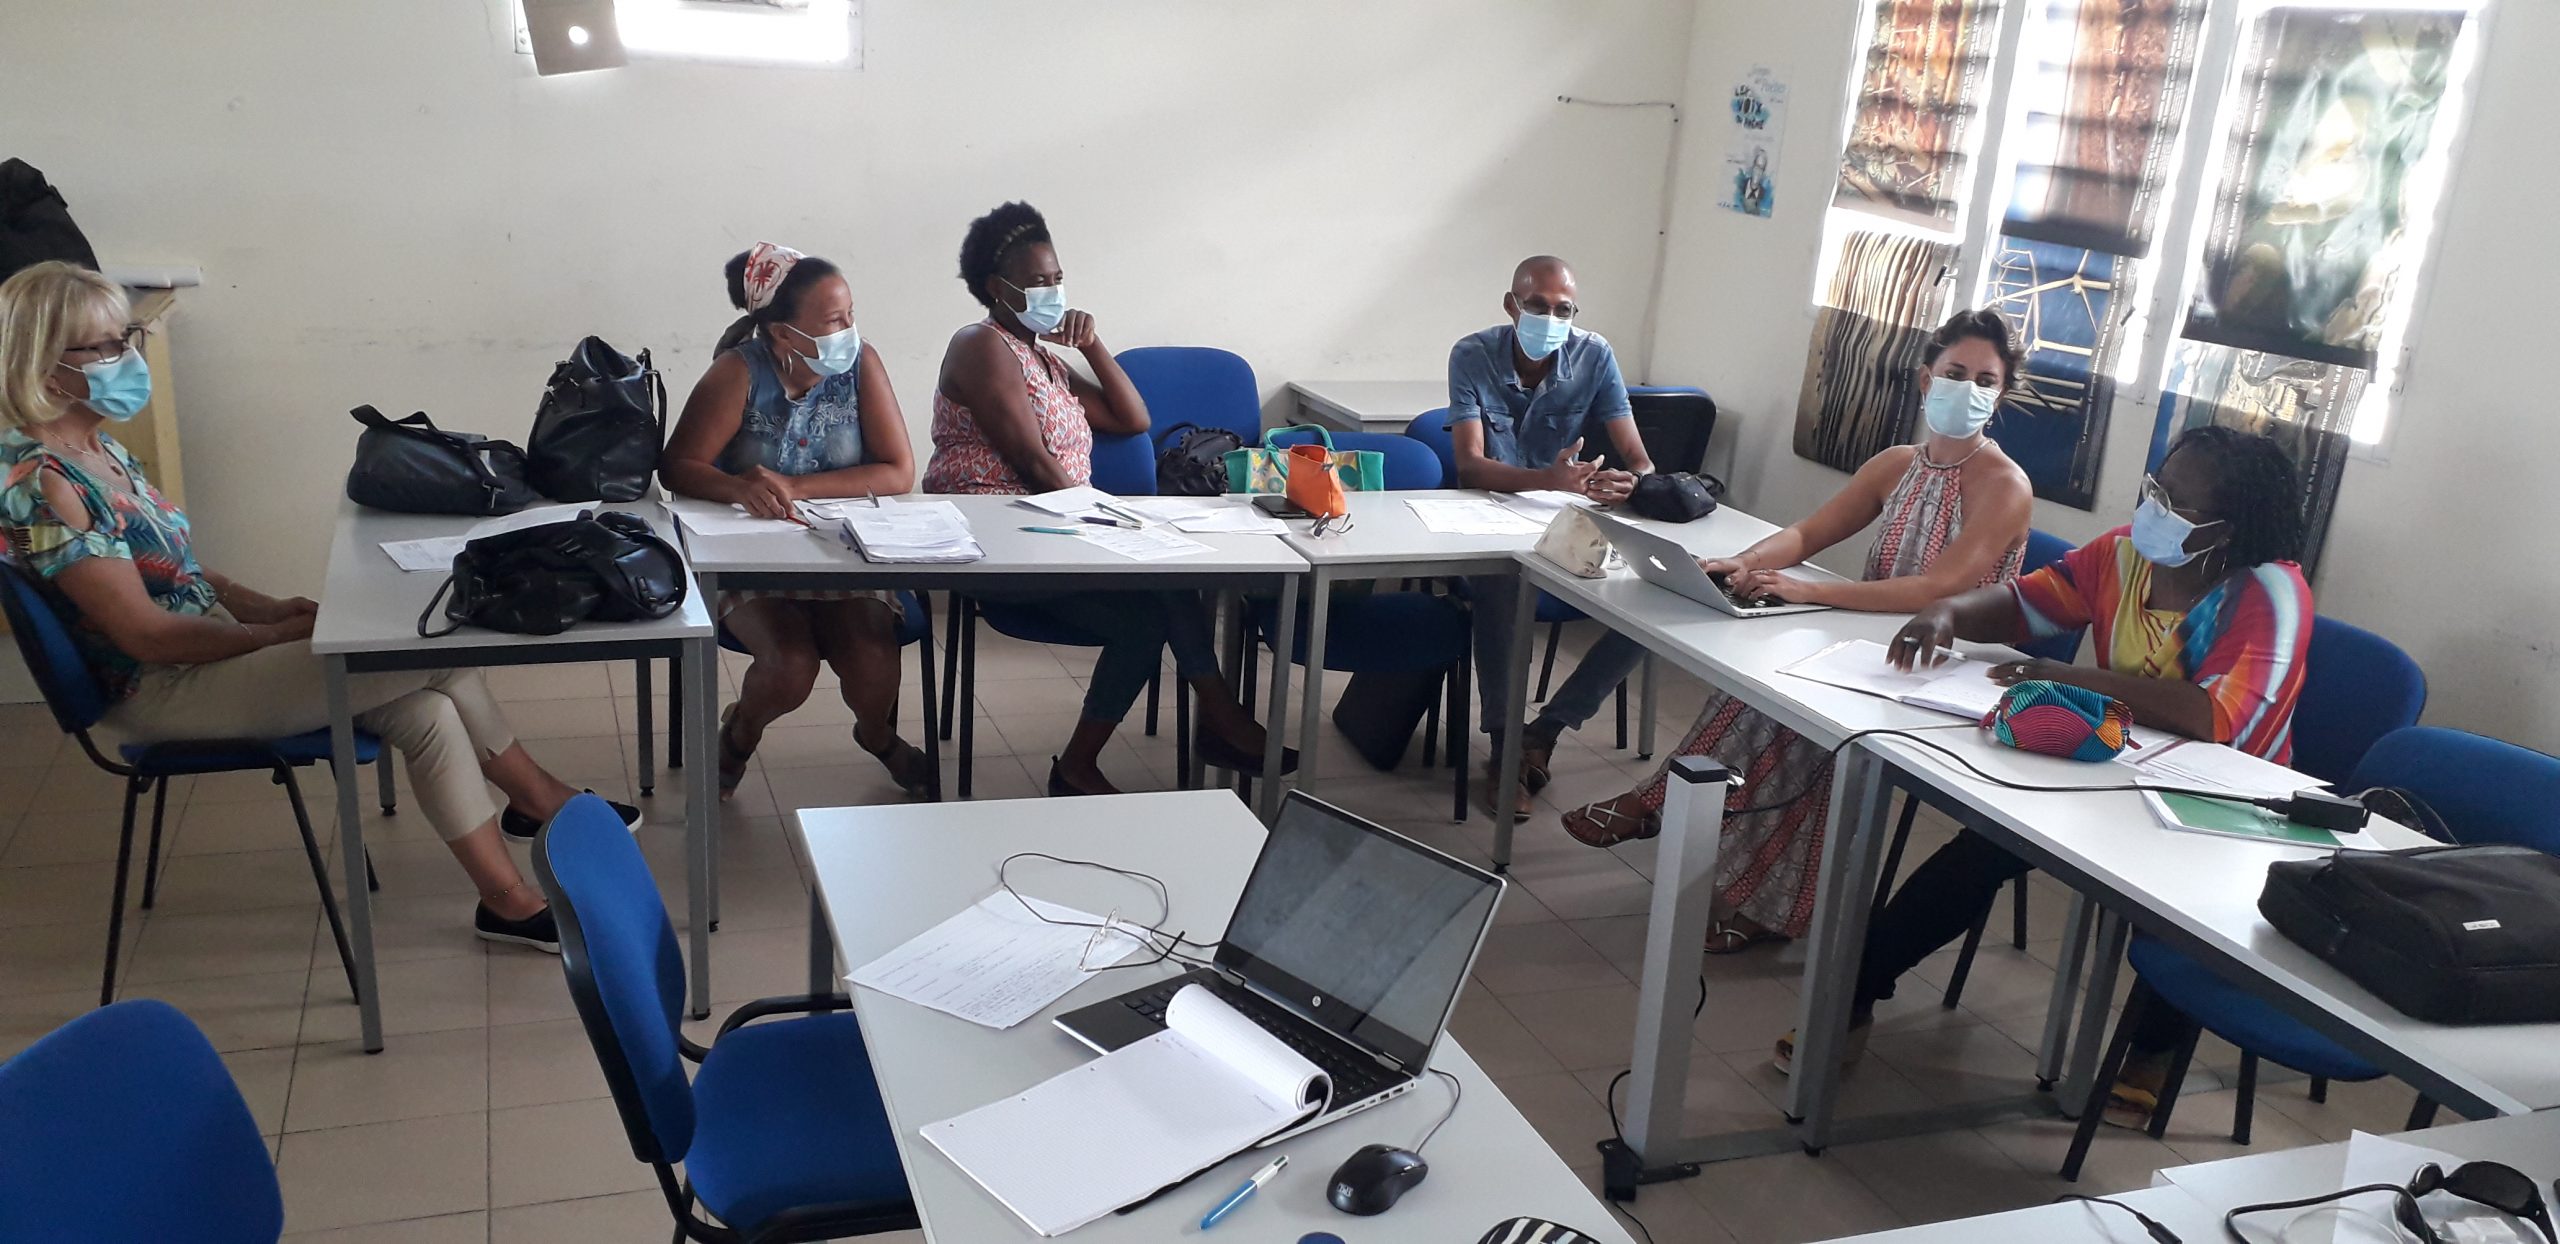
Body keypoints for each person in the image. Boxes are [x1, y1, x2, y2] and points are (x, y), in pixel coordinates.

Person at [0, 261, 638, 952]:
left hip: (204, 652)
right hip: (162, 687)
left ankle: (506, 898)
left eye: (127, 338)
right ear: (46, 368)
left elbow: (184, 569)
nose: (129, 357)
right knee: (434, 654)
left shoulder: (97, 449)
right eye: (105, 347)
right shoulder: (44, 485)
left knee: (426, 709)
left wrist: (274, 609)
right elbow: (146, 635)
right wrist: (270, 635)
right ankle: (539, 802)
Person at [1781, 425, 2312, 1129]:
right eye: (2156, 488)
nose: (2154, 509)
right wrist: (1948, 610)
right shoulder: (2124, 554)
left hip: (2222, 801)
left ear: (2228, 527)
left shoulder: (2269, 594)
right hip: (2113, 763)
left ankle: (2151, 1052)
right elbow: (2026, 604)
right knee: (1979, 852)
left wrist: (2067, 675)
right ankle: (1853, 998)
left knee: (2174, 914)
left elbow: (2215, 718)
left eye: (2178, 505)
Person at [1562, 309, 2034, 956]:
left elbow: (1937, 591)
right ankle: (1737, 869)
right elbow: (1809, 533)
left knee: (1806, 722)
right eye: (1956, 373)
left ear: (2000, 395)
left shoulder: (2005, 484)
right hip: (1878, 637)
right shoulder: (1899, 463)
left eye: (1985, 380)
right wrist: (1745, 562)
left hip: (1948, 665)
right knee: (1767, 690)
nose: (1968, 389)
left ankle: (1678, 817)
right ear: (1927, 380)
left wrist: (1808, 590)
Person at [927, 201, 1280, 796]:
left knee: (1160, 599)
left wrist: (1092, 346)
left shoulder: (1041, 356)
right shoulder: (980, 345)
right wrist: (1109, 529)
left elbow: (1132, 419)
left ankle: (1089, 763)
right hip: (1001, 538)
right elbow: (1033, 461)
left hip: (1054, 531)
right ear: (995, 288)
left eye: (1057, 278)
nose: (1052, 292)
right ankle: (1218, 719)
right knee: (1159, 592)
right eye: (1037, 281)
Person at [661, 243, 930, 799]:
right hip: (751, 559)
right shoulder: (738, 372)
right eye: (833, 321)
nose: (849, 331)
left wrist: (796, 487)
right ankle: (739, 736)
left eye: (851, 315)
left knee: (873, 660)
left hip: (842, 553)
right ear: (784, 333)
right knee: (789, 666)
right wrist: (739, 487)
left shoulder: (861, 364)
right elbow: (678, 466)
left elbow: (899, 471)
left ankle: (877, 736)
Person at [1451, 256, 1657, 817]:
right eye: (1538, 306)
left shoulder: (1594, 354)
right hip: (1486, 519)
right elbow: (1470, 466)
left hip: (1564, 522)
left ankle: (1545, 732)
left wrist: (1629, 483)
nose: (1550, 319)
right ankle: (1505, 748)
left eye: (1563, 310)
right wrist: (1549, 478)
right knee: (1500, 588)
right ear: (1511, 305)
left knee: (1656, 601)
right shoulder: (1473, 354)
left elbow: (1640, 459)